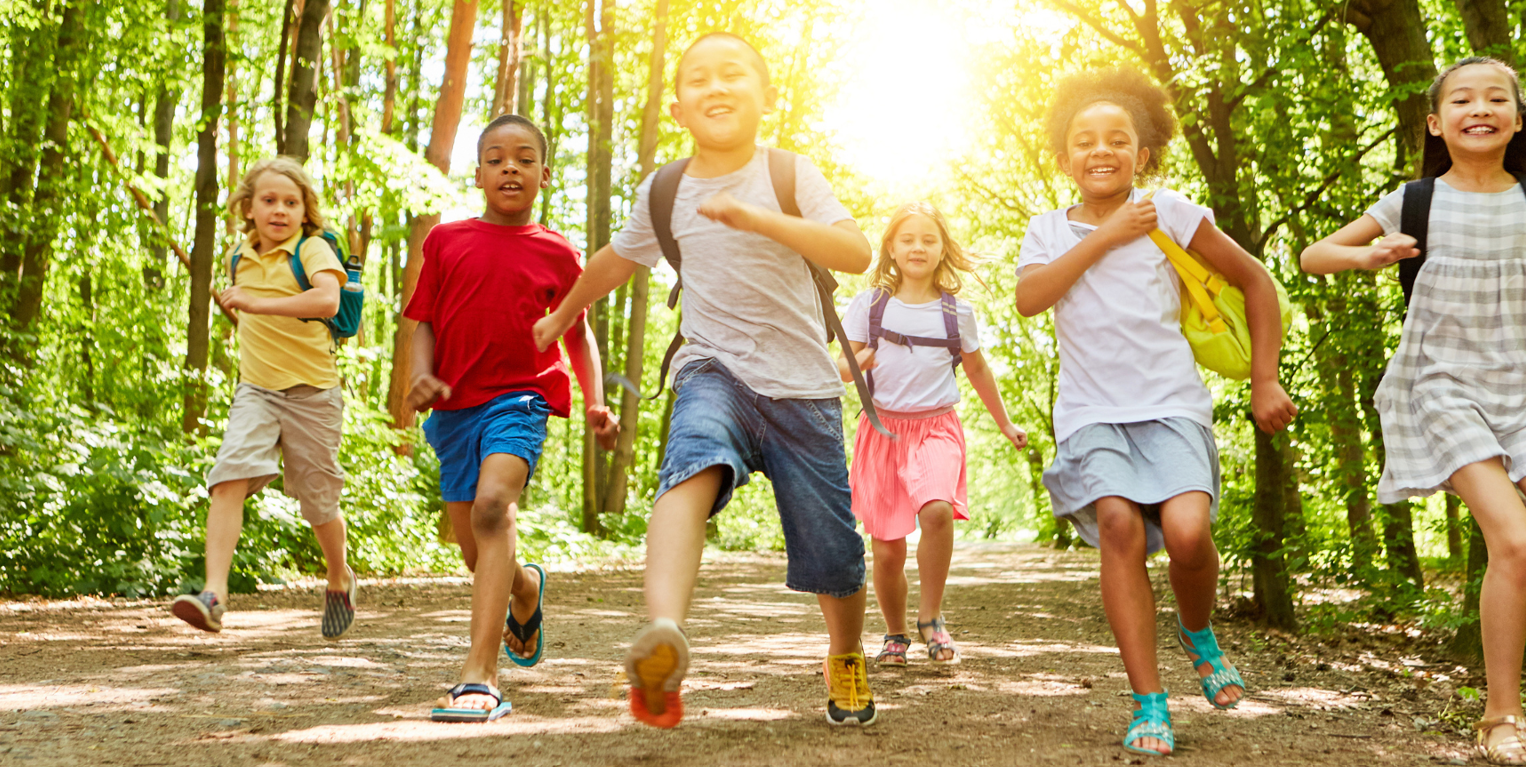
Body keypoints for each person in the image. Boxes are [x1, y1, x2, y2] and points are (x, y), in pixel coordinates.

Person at [532, 32, 878, 728]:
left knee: (833, 547)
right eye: (697, 79)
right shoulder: (666, 189)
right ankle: (664, 631)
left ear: (765, 96)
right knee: (690, 462)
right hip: (711, 366)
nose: (715, 87)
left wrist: (759, 217)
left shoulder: (789, 172)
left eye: (733, 74)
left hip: (804, 387)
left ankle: (845, 652)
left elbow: (856, 249)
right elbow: (613, 261)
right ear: (679, 107)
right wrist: (563, 313)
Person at [1014, 68, 1297, 756]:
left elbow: (1255, 280)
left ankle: (1197, 631)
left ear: (1142, 154)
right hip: (1090, 411)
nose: (1102, 150)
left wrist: (1265, 379)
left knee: (1190, 533)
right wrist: (1107, 235)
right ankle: (1149, 702)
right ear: (1064, 157)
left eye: (1119, 139)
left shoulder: (1170, 209)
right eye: (1085, 141)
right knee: (1119, 526)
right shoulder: (1048, 230)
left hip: (1171, 403)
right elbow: (1030, 297)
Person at [1301, 57, 1526, 766]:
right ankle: (1500, 715)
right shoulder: (1415, 200)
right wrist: (1368, 256)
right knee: (1515, 541)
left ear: (1519, 118)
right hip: (1443, 384)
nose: (1479, 107)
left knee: (1517, 554)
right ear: (1436, 121)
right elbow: (1313, 255)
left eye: (1497, 97)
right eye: (1462, 99)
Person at [406, 114, 619, 722]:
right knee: (476, 552)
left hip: (520, 399)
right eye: (497, 158)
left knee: (494, 506)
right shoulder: (445, 241)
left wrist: (596, 401)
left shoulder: (557, 251)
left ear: (544, 175)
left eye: (525, 159)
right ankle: (524, 588)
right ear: (477, 175)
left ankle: (481, 674)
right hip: (453, 409)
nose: (510, 168)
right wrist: (420, 375)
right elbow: (422, 319)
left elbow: (579, 336)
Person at [171, 157, 356, 638]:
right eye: (269, 201)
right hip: (256, 390)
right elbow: (252, 321)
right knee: (228, 476)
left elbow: (327, 302)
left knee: (318, 503)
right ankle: (214, 596)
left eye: (291, 202)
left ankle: (339, 577)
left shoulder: (312, 249)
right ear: (248, 207)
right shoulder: (239, 255)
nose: (280, 210)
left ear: (304, 210)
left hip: (314, 393)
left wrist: (256, 303)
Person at [838, 201, 1027, 667]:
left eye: (928, 239)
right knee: (885, 552)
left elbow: (978, 369)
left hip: (937, 428)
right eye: (908, 239)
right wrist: (855, 364)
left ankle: (931, 618)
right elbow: (840, 366)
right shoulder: (869, 305)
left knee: (938, 511)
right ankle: (895, 633)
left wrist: (1005, 423)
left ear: (943, 249)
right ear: (891, 248)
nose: (918, 247)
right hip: (881, 431)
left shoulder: (956, 313)